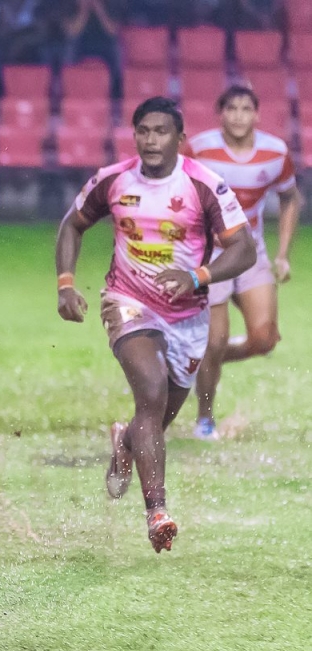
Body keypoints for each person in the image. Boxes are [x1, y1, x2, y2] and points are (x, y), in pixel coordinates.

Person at [55, 97, 255, 552]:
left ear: (180, 138)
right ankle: (157, 512)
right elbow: (72, 224)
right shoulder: (113, 180)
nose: (150, 140)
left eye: (161, 131)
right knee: (150, 391)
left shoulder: (204, 184)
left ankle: (125, 442)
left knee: (157, 415)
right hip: (127, 301)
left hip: (188, 316)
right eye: (143, 131)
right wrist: (66, 284)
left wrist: (196, 276)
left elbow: (244, 249)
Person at [186, 86, 301, 441]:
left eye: (245, 108)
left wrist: (283, 253)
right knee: (215, 340)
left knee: (264, 339)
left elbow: (290, 198)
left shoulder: (275, 153)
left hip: (252, 253)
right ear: (220, 113)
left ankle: (197, 365)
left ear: (257, 114)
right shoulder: (199, 150)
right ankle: (205, 419)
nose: (238, 115)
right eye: (231, 108)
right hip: (211, 255)